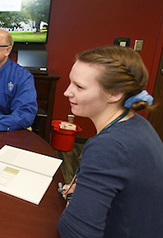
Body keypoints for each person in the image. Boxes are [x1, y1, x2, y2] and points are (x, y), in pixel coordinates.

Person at [58, 45, 163, 237]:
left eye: (79, 86)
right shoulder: (137, 124)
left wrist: (73, 199)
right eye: (70, 82)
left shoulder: (110, 146)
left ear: (114, 94)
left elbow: (75, 232)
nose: (67, 92)